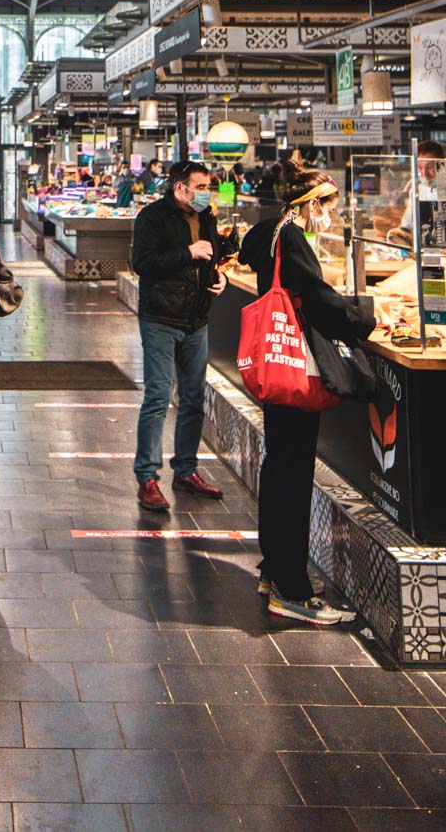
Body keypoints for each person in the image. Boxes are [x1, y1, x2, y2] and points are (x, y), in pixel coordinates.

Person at [239, 170, 375, 625]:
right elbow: (318, 299)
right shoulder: (294, 237)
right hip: (295, 370)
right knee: (292, 473)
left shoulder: (269, 230)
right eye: (327, 204)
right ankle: (291, 589)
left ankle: (273, 570)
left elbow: (249, 254)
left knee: (279, 465)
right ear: (308, 203)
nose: (331, 214)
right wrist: (366, 319)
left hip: (276, 369)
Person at [130, 160, 228, 512]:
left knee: (192, 399)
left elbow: (214, 257)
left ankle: (186, 470)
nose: (206, 193)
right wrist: (187, 252)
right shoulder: (153, 217)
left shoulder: (208, 218)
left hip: (196, 319)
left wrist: (220, 278)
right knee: (157, 397)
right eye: (200, 187)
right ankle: (147, 477)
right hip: (160, 318)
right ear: (180, 187)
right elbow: (141, 263)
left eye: (208, 187)